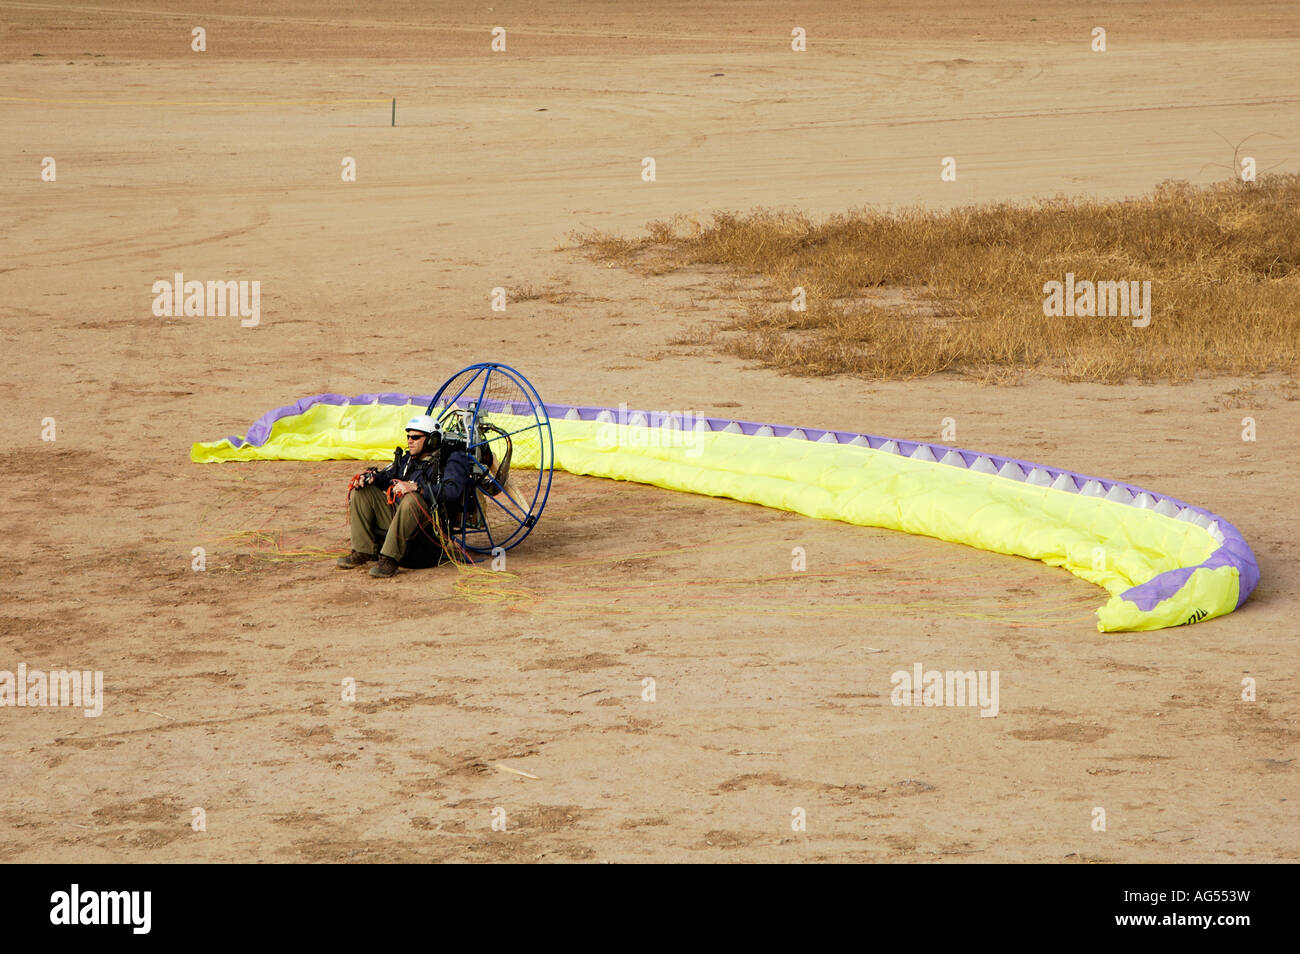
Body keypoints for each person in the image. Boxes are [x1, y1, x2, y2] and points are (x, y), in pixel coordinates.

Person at [337, 415, 474, 577]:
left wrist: (417, 487)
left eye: (415, 437)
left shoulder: (452, 459)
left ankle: (389, 558)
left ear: (432, 440)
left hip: (429, 529)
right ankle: (363, 551)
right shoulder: (409, 459)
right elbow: (388, 477)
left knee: (412, 498)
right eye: (408, 436)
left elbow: (452, 490)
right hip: (402, 517)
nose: (410, 441)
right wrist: (370, 478)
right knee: (361, 492)